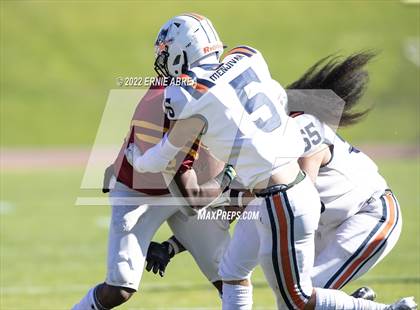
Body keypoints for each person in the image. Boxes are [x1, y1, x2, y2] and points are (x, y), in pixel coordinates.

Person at [124, 13, 417, 310]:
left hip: (362, 213)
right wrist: (173, 246)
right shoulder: (257, 128)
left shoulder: (297, 132)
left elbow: (295, 196)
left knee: (299, 300)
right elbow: (234, 209)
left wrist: (231, 195)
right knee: (233, 270)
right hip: (290, 202)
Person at [72, 83, 235, 310]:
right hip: (140, 192)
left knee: (231, 278)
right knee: (119, 288)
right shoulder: (164, 101)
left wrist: (170, 247)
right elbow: (194, 196)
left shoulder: (221, 109)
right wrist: (226, 177)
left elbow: (224, 209)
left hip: (188, 190)